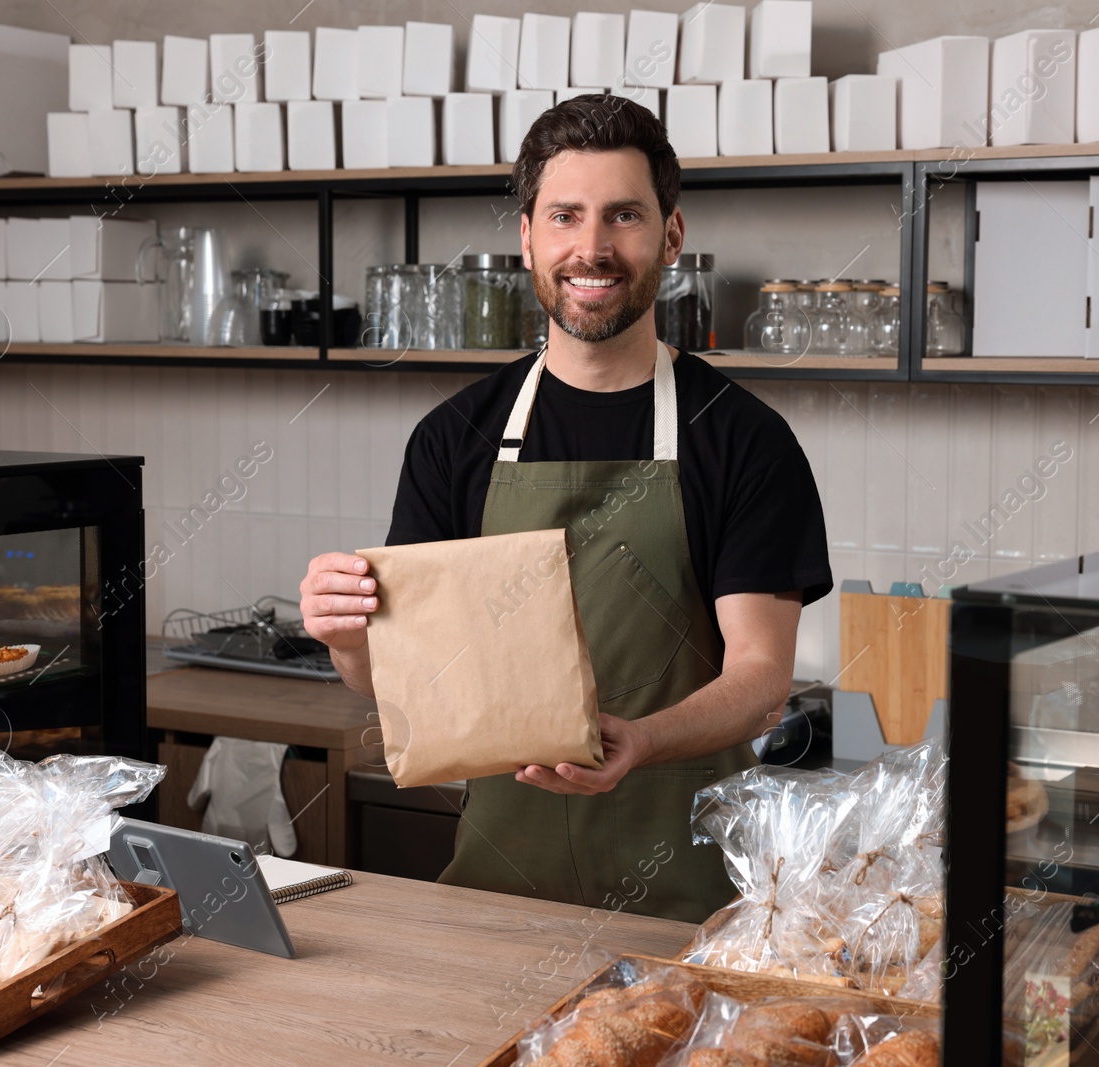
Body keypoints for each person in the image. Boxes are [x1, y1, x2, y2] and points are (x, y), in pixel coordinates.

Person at [300, 95, 831, 923]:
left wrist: (642, 740)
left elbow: (761, 679)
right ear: (527, 238)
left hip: (691, 914)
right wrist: (343, 638)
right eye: (565, 217)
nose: (593, 248)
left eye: (624, 215)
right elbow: (403, 683)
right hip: (496, 903)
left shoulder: (742, 439)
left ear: (671, 235)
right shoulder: (454, 439)